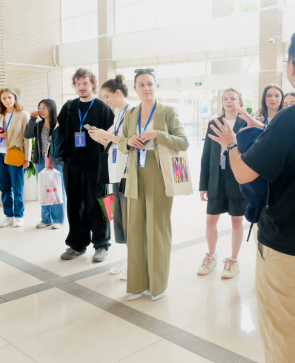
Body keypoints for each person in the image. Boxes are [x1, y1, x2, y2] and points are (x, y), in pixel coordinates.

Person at [208, 30, 295, 363]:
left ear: (292, 67)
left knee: (281, 327)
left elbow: (244, 173)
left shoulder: (293, 116)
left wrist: (230, 144)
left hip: (286, 243)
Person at [118, 68, 189, 301]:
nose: (146, 88)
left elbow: (183, 142)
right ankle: (137, 284)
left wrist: (158, 134)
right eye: (141, 85)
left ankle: (158, 285)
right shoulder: (131, 113)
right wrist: (129, 140)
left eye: (150, 84)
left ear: (155, 86)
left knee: (157, 229)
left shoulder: (168, 111)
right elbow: (121, 143)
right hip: (135, 174)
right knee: (135, 229)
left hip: (159, 173)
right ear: (135, 88)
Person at [57, 68, 115, 263]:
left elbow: (111, 137)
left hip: (95, 165)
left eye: (85, 83)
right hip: (72, 164)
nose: (81, 87)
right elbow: (58, 131)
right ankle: (77, 244)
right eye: (78, 84)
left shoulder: (102, 108)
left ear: (93, 84)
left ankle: (101, 245)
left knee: (97, 205)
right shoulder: (68, 107)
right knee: (74, 205)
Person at [198, 88, 248, 279]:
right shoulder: (214, 124)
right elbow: (206, 156)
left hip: (237, 177)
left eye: (232, 98)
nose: (228, 101)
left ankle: (233, 260)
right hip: (216, 178)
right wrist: (203, 185)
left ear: (240, 102)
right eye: (225, 98)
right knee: (210, 220)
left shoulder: (246, 124)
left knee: (236, 221)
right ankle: (211, 256)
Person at [87, 75, 131, 279]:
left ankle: (135, 262)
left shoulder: (131, 112)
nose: (106, 101)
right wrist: (100, 137)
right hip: (116, 171)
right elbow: (113, 143)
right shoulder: (118, 114)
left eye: (107, 96)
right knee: (120, 219)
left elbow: (128, 141)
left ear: (118, 93)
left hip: (128, 173)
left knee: (129, 219)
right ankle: (130, 259)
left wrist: (106, 135)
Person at [0, 88, 31, 228]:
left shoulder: (23, 114)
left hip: (15, 153)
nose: (7, 100)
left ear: (15, 98)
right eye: (4, 98)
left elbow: (28, 138)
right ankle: (8, 216)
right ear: (0, 100)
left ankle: (19, 216)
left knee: (17, 187)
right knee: (4, 187)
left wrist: (27, 158)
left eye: (10, 97)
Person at [25, 99, 65, 229]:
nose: (41, 110)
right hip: (41, 160)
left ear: (52, 108)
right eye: (39, 108)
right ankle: (46, 218)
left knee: (57, 189)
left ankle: (58, 219)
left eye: (44, 108)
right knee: (44, 188)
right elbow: (27, 135)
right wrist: (32, 119)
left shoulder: (60, 124)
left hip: (57, 160)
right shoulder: (38, 125)